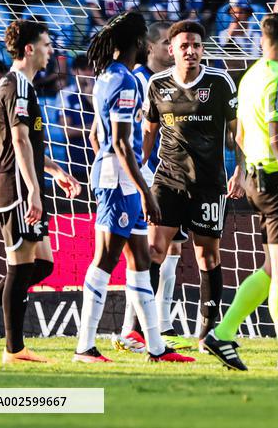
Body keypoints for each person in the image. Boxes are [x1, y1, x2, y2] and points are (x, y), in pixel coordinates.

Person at [201, 13, 278, 373]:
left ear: (262, 40)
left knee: (273, 269)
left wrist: (242, 170)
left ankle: (222, 333)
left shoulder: (251, 76)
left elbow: (239, 136)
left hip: (257, 178)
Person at [0, 20, 81, 364]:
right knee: (20, 264)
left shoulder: (20, 86)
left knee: (41, 265)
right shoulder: (17, 86)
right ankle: (14, 350)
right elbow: (19, 140)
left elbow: (28, 144)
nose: (50, 50)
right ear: (29, 49)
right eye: (45, 44)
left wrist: (54, 171)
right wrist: (33, 193)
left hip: (18, 182)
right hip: (13, 186)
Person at [74, 12, 194, 364]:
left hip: (119, 175)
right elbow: (123, 145)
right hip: (120, 181)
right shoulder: (126, 82)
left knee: (141, 261)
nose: (145, 43)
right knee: (106, 260)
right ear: (135, 44)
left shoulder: (104, 77)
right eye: (142, 38)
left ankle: (156, 349)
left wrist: (111, 165)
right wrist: (143, 190)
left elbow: (97, 135)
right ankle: (84, 347)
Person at [142, 20, 244, 349]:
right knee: (154, 251)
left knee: (208, 257)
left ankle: (206, 333)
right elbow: (148, 132)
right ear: (171, 50)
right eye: (184, 45)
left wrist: (241, 169)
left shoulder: (219, 82)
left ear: (203, 49)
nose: (191, 51)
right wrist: (137, 167)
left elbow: (237, 132)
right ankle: (147, 331)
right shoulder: (157, 84)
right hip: (168, 180)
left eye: (196, 45)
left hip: (208, 184)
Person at [116, 20, 193, 353]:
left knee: (172, 249)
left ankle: (161, 323)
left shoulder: (173, 81)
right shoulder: (138, 81)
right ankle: (129, 330)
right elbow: (134, 129)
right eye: (164, 42)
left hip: (173, 174)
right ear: (151, 47)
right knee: (146, 253)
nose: (169, 47)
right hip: (146, 175)